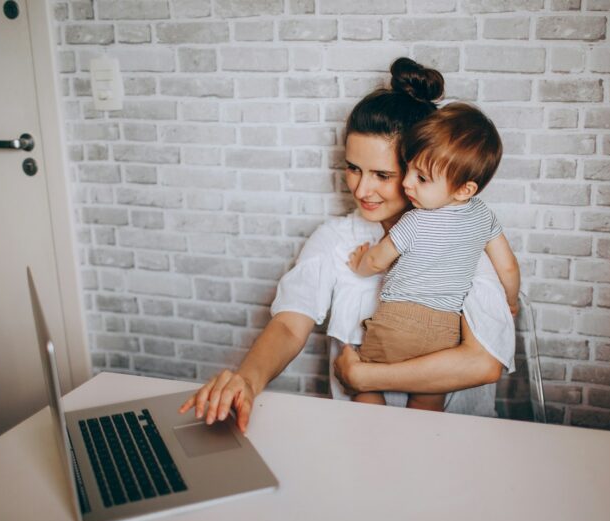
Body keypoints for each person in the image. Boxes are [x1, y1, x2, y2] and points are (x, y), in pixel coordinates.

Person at [178, 58, 517, 433]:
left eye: (382, 175)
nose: (361, 189)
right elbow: (290, 325)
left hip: (458, 444)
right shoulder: (337, 238)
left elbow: (483, 363)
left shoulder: (461, 243)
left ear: (421, 169)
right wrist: (248, 379)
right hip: (361, 442)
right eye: (353, 168)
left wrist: (365, 378)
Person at [347, 103, 520, 411]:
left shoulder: (413, 222)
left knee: (364, 382)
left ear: (465, 189)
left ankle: (370, 430)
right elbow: (507, 266)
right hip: (444, 330)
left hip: (395, 323)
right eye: (409, 169)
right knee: (428, 397)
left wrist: (359, 264)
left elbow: (376, 261)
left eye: (422, 178)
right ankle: (420, 447)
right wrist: (511, 300)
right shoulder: (484, 217)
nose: (407, 182)